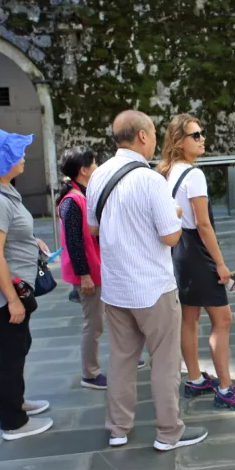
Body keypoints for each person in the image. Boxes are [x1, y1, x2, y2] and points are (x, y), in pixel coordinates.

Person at [86, 110, 207, 451]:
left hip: (116, 287)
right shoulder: (151, 180)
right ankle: (168, 432)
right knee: (165, 361)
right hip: (153, 286)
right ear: (142, 136)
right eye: (153, 133)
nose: (155, 140)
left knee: (121, 359)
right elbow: (170, 236)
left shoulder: (99, 176)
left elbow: (93, 228)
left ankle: (118, 428)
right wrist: (175, 214)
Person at [158, 114, 235, 410]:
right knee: (222, 319)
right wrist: (221, 264)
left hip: (179, 251)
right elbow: (203, 224)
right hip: (198, 253)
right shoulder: (194, 175)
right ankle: (225, 388)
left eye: (202, 133)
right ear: (179, 141)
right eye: (196, 135)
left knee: (189, 317)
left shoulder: (166, 172)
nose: (202, 139)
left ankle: (195, 379)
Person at [0, 128, 54, 441]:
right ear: (2, 160)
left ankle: (17, 401)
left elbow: (8, 235)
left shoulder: (2, 191)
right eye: (16, 153)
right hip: (5, 291)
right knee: (11, 353)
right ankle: (13, 422)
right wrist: (13, 301)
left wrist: (32, 241)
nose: (22, 157)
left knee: (20, 345)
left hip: (15, 283)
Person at [57, 146, 118, 391]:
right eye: (93, 163)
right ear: (83, 170)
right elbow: (74, 243)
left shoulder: (81, 195)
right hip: (89, 272)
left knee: (107, 318)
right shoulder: (73, 201)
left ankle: (122, 357)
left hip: (97, 268)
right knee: (94, 324)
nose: (96, 167)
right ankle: (90, 373)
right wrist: (84, 275)